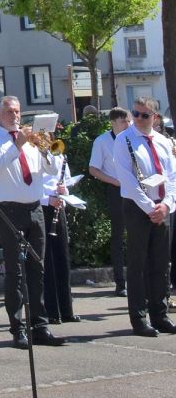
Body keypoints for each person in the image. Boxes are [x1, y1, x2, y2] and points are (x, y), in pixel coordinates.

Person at [0, 95, 63, 348]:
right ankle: (17, 328)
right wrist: (17, 144)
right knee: (15, 271)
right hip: (9, 210)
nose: (14, 116)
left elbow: (52, 170)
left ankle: (40, 325)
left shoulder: (31, 140)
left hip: (35, 208)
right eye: (9, 112)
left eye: (17, 111)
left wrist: (46, 149)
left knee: (38, 268)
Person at [112, 97, 176, 337]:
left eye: (144, 115)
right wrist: (150, 207)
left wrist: (166, 205)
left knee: (160, 263)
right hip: (138, 207)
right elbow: (127, 179)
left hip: (163, 207)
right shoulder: (124, 139)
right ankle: (139, 319)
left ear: (155, 118)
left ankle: (160, 315)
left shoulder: (163, 141)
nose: (138, 119)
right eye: (135, 114)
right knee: (137, 264)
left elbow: (173, 176)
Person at [88, 107, 131, 296]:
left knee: (139, 235)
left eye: (129, 121)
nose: (128, 124)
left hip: (137, 190)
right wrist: (115, 181)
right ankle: (120, 283)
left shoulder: (133, 138)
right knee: (118, 236)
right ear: (113, 123)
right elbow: (93, 169)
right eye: (123, 121)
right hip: (116, 190)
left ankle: (141, 281)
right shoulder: (102, 141)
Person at [41, 146, 78, 325]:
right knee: (47, 260)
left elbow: (67, 180)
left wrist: (64, 191)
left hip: (58, 206)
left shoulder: (58, 154)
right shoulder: (31, 153)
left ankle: (66, 310)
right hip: (42, 206)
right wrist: (47, 199)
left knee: (62, 257)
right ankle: (51, 311)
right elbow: (28, 186)